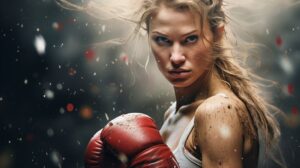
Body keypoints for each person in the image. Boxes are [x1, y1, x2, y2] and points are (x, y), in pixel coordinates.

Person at [58, 0, 287, 167]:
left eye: (190, 39)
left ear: (217, 34)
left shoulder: (217, 112)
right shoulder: (173, 114)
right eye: (162, 40)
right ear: (148, 37)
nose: (176, 57)